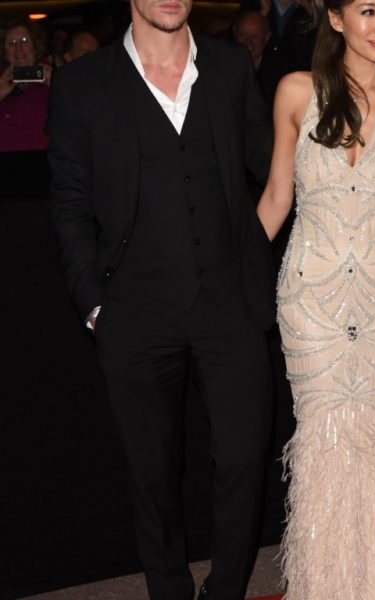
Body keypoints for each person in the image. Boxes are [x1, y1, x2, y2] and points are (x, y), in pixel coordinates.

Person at [45, 0, 275, 597]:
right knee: (152, 476)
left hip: (229, 302)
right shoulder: (82, 84)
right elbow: (69, 202)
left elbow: (272, 164)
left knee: (244, 461)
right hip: (135, 309)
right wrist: (94, 303)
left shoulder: (230, 67)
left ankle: (225, 591)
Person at [256, 0, 375, 596]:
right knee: (323, 446)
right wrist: (223, 274)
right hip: (310, 301)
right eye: (367, 10)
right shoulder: (295, 91)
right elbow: (277, 197)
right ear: (336, 18)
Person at [0, 20, 52, 152]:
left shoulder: (52, 76)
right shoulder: (1, 79)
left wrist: (58, 86)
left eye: (24, 41)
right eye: (11, 43)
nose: (19, 49)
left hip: (44, 158)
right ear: (4, 51)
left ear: (35, 46)